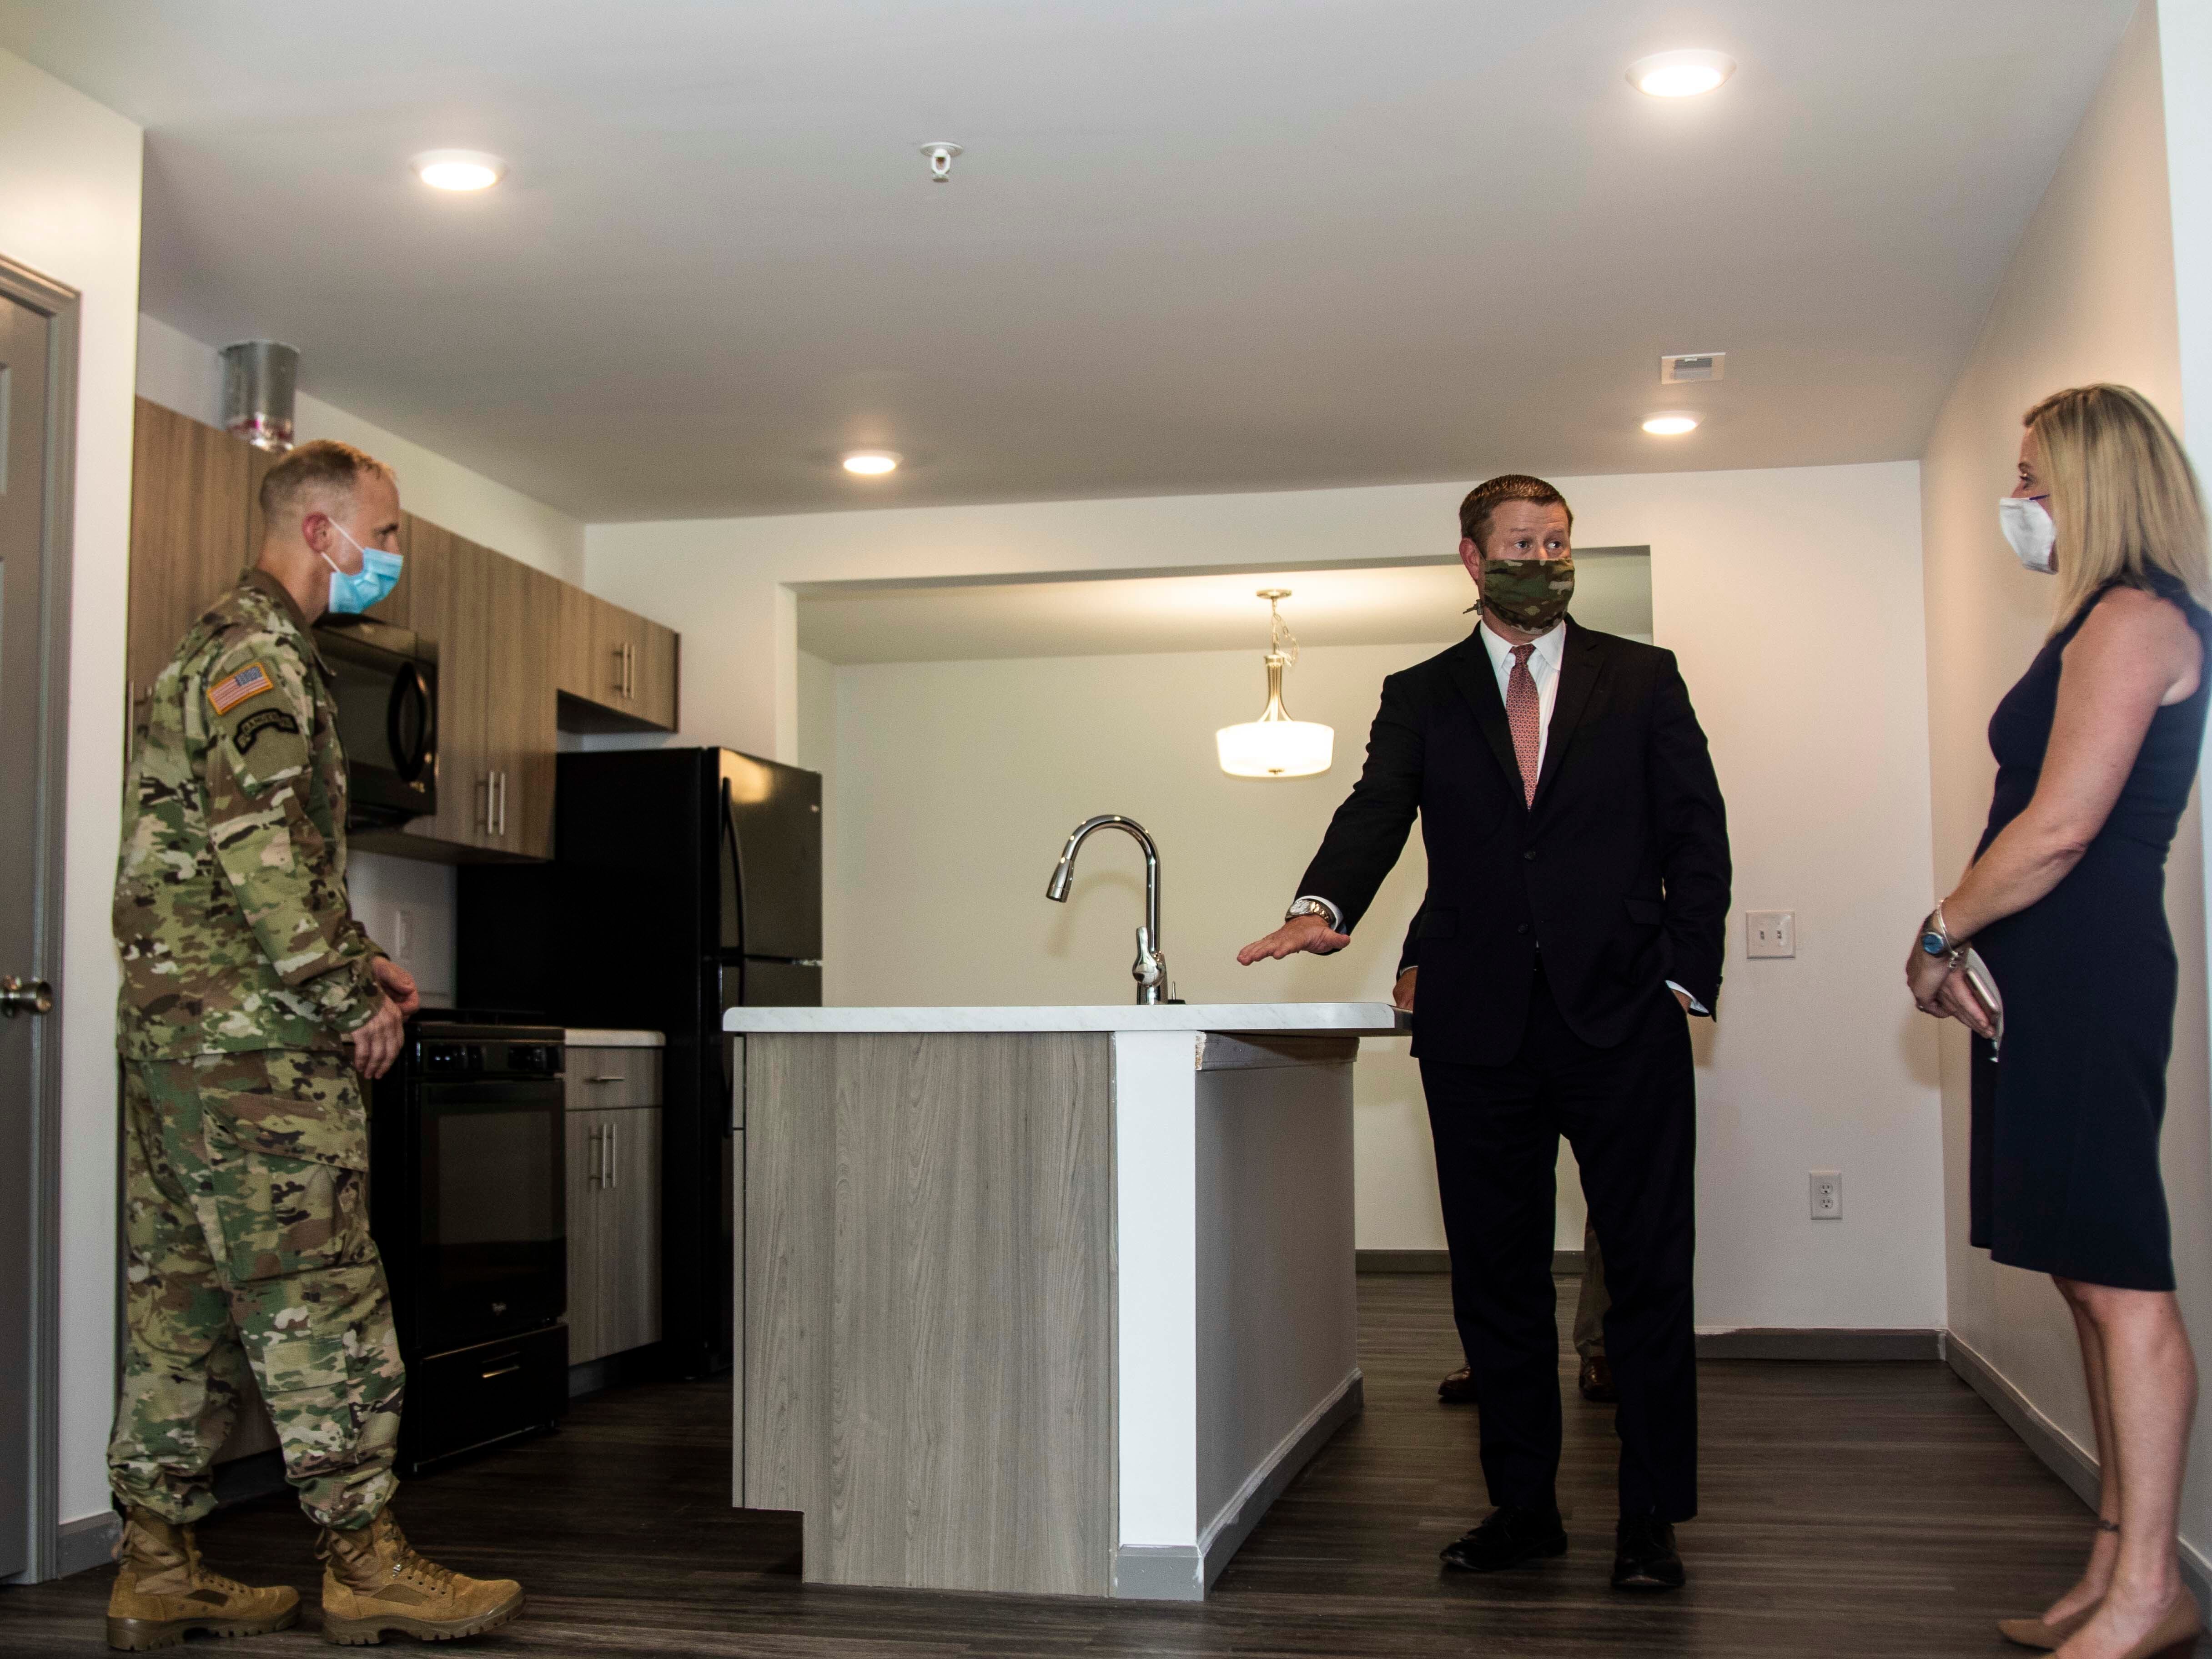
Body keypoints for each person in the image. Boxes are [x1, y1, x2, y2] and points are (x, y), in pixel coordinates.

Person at [1239, 474, 1729, 1592]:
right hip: (1474, 1031)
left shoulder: (1641, 678)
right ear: (1470, 558)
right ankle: (1522, 1508)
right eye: (1519, 542)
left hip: (1623, 1024)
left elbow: (1694, 833)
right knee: (1494, 1280)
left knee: (1648, 1272)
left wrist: (1683, 982)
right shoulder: (1419, 693)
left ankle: (1648, 1519)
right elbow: (1375, 808)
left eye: (1557, 542)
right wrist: (1321, 907)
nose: (1542, 558)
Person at [106, 440, 525, 1650]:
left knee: (176, 1303)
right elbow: (273, 864)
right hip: (256, 1060)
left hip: (178, 1045)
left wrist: (360, 953)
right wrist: (356, 1002)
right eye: (384, 535)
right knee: (321, 1298)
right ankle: (365, 1561)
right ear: (321, 528)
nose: (393, 558)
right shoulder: (262, 664)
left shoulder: (209, 649)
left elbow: (228, 866)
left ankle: (155, 1562)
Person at [1908, 385, 2210, 1659]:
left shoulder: (2140, 618)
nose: (2019, 503)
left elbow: (2063, 827)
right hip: (2055, 968)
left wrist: (1938, 933)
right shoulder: (2095, 619)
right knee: (2087, 1272)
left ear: (2095, 479)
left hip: (2088, 964)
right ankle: (2113, 1560)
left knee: (2124, 1274)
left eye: (2034, 479)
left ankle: (2153, 1589)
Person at [1395, 928, 1617, 1408]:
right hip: (1491, 1013)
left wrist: (1683, 981)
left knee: (1616, 1202)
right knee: (1492, 1206)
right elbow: (1452, 880)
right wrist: (1415, 963)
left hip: (1604, 1002)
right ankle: (1493, 1356)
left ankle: (1604, 1351)